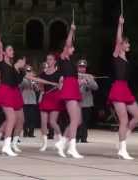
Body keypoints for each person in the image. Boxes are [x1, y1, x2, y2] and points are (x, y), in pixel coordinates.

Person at [0, 24, 58, 156]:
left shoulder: (14, 67)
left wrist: (51, 82)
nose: (12, 52)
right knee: (11, 118)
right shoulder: (1, 61)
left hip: (14, 93)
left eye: (13, 50)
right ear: (4, 53)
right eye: (10, 50)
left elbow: (33, 77)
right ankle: (6, 146)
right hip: (6, 91)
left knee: (18, 119)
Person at [107, 15, 138, 160]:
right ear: (122, 44)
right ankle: (122, 149)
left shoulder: (126, 58)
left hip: (125, 89)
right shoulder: (116, 55)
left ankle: (123, 137)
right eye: (127, 43)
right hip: (118, 88)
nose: (129, 45)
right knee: (123, 120)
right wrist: (120, 25)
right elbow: (117, 40)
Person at [54, 21, 83, 159]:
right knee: (74, 119)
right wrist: (71, 31)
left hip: (74, 88)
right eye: (72, 47)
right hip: (69, 89)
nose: (73, 49)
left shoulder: (70, 60)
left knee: (77, 120)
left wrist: (80, 80)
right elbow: (67, 43)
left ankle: (62, 142)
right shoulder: (63, 57)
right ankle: (71, 148)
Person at [38, 55, 64, 152]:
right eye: (47, 59)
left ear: (54, 61)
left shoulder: (59, 73)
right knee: (43, 122)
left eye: (50, 59)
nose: (48, 61)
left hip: (55, 98)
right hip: (46, 97)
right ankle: (44, 143)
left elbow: (62, 87)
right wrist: (41, 90)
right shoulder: (43, 74)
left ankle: (61, 140)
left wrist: (60, 85)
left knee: (52, 122)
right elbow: (41, 87)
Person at [77, 59, 98, 143]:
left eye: (84, 67)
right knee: (78, 120)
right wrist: (81, 82)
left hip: (87, 102)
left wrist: (90, 81)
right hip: (77, 102)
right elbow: (72, 87)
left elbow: (96, 87)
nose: (82, 68)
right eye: (80, 67)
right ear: (77, 67)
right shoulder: (74, 76)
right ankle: (77, 137)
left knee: (85, 121)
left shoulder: (89, 76)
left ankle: (84, 138)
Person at [21, 65, 39, 138]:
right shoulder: (22, 79)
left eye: (30, 71)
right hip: (24, 99)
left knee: (32, 117)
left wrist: (34, 83)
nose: (28, 72)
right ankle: (25, 132)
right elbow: (21, 86)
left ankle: (31, 133)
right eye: (27, 71)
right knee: (25, 117)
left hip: (32, 100)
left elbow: (37, 89)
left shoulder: (34, 79)